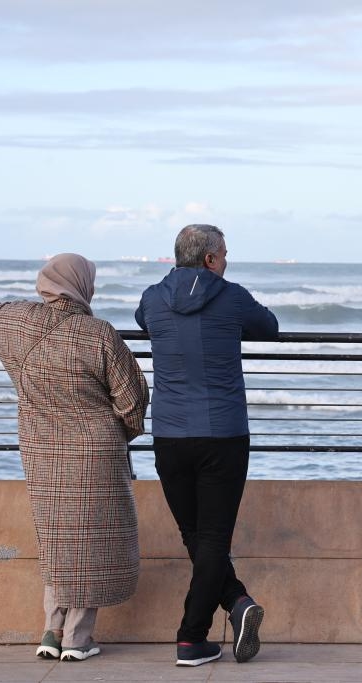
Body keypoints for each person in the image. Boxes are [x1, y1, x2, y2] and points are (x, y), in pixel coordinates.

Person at [0, 253, 149, 663]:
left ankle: (50, 632)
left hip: (40, 449)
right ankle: (77, 639)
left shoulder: (16, 326)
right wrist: (118, 432)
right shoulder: (99, 334)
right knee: (90, 541)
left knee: (57, 539)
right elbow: (133, 401)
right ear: (84, 285)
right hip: (95, 450)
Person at [135, 224, 279, 667]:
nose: (227, 261)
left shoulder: (152, 297)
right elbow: (269, 328)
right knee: (212, 537)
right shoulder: (231, 296)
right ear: (211, 260)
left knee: (195, 535)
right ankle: (191, 637)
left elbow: (144, 322)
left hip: (170, 435)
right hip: (223, 434)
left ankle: (236, 604)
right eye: (225, 254)